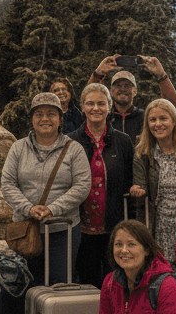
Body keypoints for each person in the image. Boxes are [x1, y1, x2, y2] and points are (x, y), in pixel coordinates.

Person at [1, 93, 91, 284]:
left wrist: (53, 209)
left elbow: (82, 186)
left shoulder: (74, 149)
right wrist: (28, 208)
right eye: (39, 114)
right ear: (32, 119)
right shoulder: (18, 148)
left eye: (51, 114)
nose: (45, 119)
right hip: (25, 231)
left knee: (60, 283)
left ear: (60, 119)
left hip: (63, 231)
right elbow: (8, 184)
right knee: (25, 284)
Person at [67, 84, 134, 288]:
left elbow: (130, 181)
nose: (95, 108)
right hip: (81, 227)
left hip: (114, 226)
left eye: (101, 103)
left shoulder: (123, 141)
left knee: (116, 282)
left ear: (109, 106)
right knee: (87, 282)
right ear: (82, 107)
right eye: (90, 103)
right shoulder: (71, 142)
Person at [129, 99, 176, 266]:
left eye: (163, 118)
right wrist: (137, 191)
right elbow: (140, 187)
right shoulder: (143, 153)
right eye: (152, 120)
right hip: (160, 225)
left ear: (174, 121)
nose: (157, 124)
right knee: (164, 274)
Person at [98, 220, 176, 314]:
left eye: (131, 244)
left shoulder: (169, 288)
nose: (124, 250)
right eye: (118, 244)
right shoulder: (110, 282)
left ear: (147, 250)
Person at [89, 55, 176, 145]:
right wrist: (98, 74)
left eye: (127, 85)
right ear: (111, 91)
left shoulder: (145, 117)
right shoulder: (103, 116)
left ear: (135, 91)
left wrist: (161, 75)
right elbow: (88, 101)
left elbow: (171, 108)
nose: (122, 89)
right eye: (118, 85)